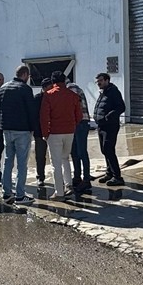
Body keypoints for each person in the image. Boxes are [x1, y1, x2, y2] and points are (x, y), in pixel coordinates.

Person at [0, 65, 34, 203]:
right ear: (25, 75)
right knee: (22, 163)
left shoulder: (4, 87)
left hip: (7, 129)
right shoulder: (25, 89)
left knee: (7, 161)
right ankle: (20, 195)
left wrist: (2, 124)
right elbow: (31, 111)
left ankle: (6, 192)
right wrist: (33, 128)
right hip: (22, 130)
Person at [41, 70, 82, 198]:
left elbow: (43, 116)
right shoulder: (73, 95)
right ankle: (68, 185)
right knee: (65, 158)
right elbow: (79, 116)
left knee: (56, 163)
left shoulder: (48, 95)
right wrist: (72, 126)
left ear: (53, 82)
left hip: (54, 133)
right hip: (69, 132)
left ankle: (59, 192)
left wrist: (45, 133)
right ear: (64, 81)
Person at [93, 73, 126, 186]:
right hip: (101, 126)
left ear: (107, 80)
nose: (98, 83)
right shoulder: (103, 92)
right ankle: (109, 173)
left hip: (110, 126)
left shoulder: (113, 92)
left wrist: (109, 116)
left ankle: (117, 177)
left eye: (100, 81)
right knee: (104, 150)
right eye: (97, 81)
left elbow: (121, 107)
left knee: (109, 149)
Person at [68, 79, 92, 192]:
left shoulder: (72, 88)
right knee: (74, 151)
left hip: (80, 123)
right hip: (76, 123)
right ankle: (77, 177)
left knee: (81, 151)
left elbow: (72, 106)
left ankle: (86, 179)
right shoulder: (72, 88)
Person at [31, 78, 52, 189]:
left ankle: (58, 178)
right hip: (39, 132)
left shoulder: (54, 97)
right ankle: (40, 177)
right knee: (40, 156)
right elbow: (34, 116)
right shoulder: (37, 99)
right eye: (49, 88)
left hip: (53, 131)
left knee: (56, 156)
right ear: (44, 88)